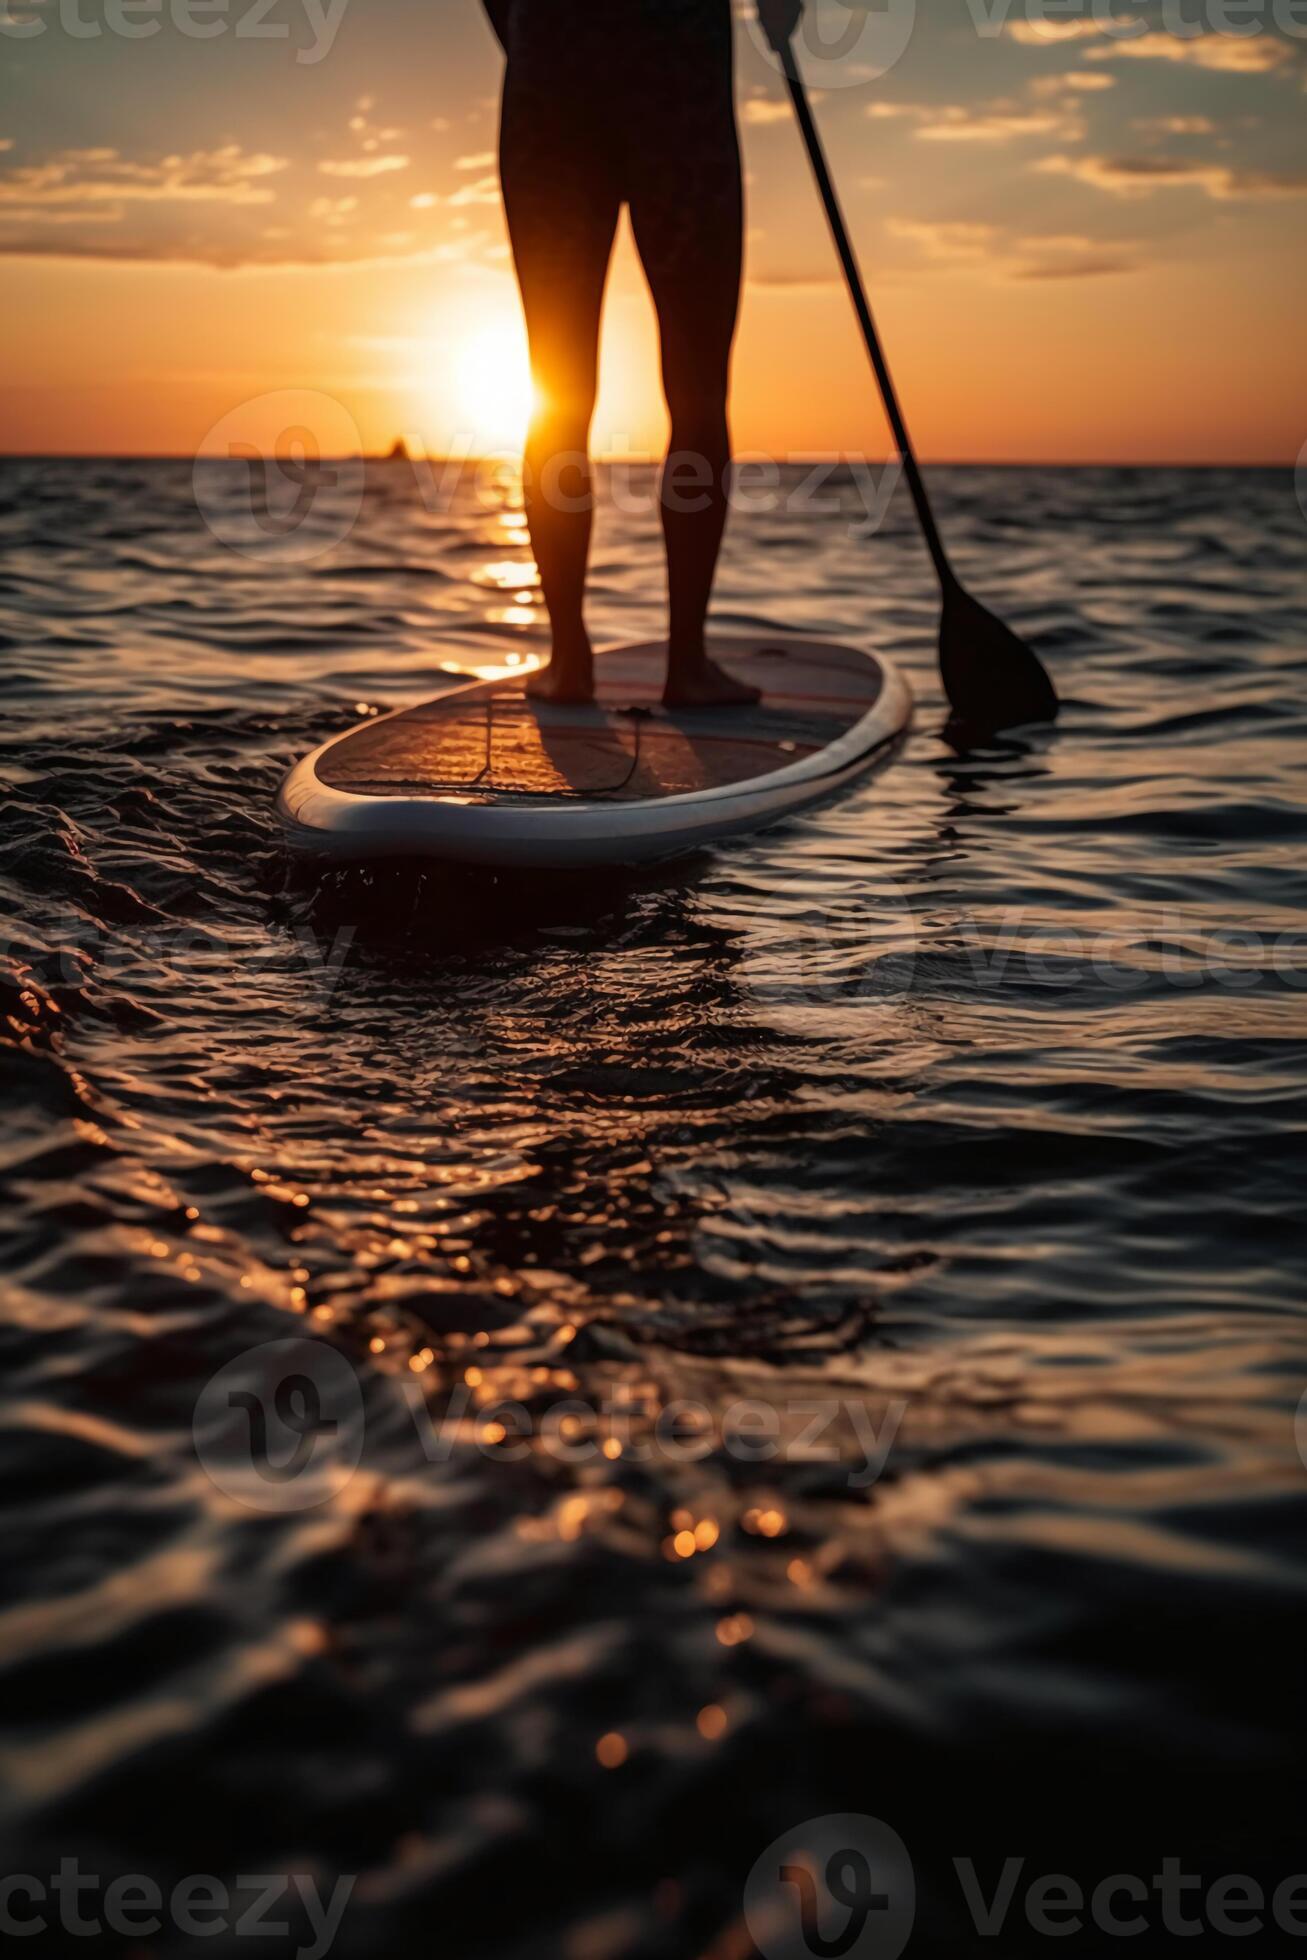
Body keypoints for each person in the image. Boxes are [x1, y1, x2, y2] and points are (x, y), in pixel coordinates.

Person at [483, 0, 803, 707]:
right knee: (693, 394)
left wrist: (539, 37)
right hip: (673, 81)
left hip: (551, 76)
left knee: (559, 392)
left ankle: (570, 660)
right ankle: (682, 663)